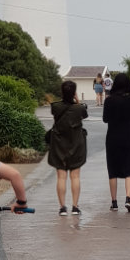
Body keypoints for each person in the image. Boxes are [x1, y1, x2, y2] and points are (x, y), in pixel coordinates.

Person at [47, 79, 88, 216]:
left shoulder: (55, 107)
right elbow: (84, 114)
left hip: (59, 145)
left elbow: (56, 112)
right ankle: (75, 207)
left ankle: (62, 208)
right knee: (75, 177)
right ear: (74, 92)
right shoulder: (79, 108)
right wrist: (77, 100)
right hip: (76, 145)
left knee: (61, 177)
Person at [102, 72, 130, 212]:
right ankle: (128, 199)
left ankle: (114, 202)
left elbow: (105, 119)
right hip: (128, 137)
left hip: (112, 138)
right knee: (129, 168)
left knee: (112, 170)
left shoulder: (109, 100)